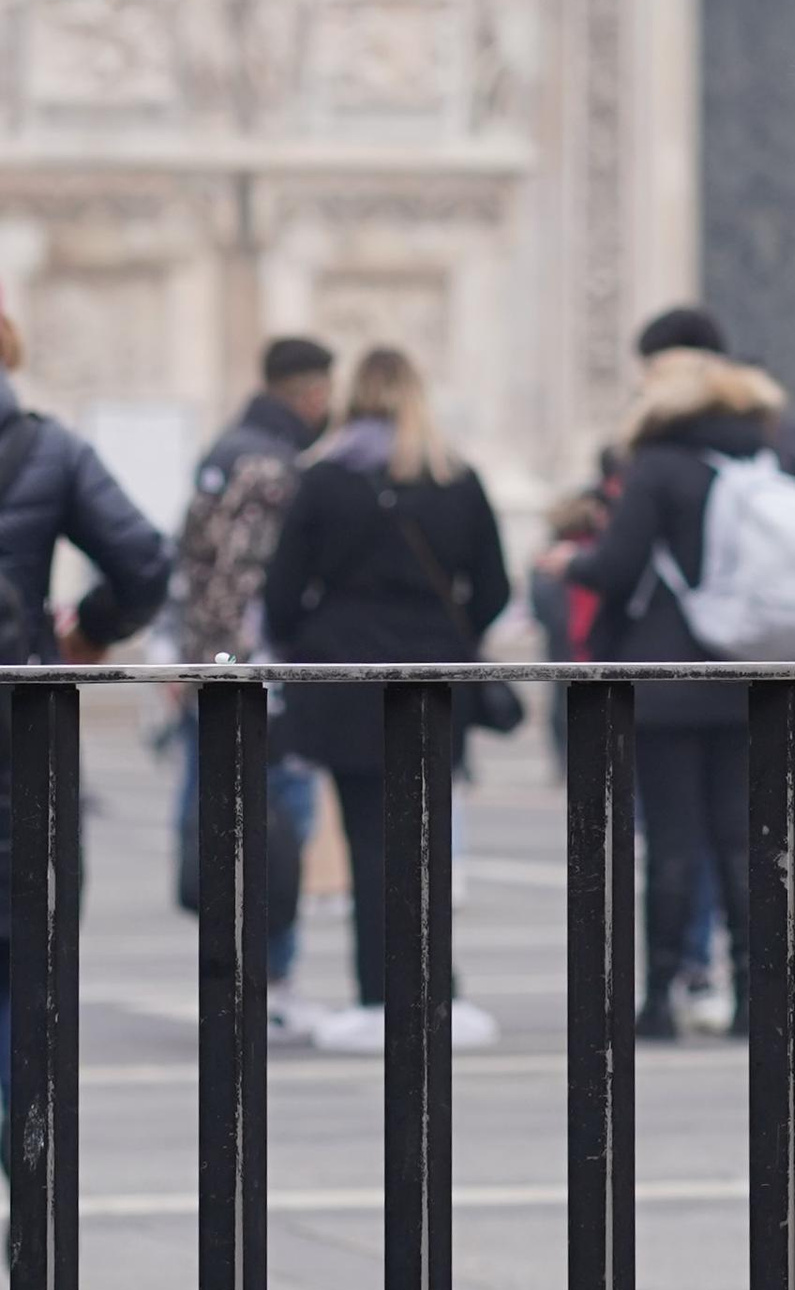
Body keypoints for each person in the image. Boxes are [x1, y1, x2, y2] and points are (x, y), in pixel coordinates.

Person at [561, 310, 795, 1037]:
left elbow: (618, 564)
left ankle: (662, 994)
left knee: (672, 842)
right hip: (761, 674)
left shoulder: (658, 467)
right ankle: (757, 997)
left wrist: (569, 562)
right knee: (747, 841)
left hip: (668, 677)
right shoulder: (783, 457)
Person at [264, 347, 510, 1053]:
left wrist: (312, 639)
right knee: (426, 839)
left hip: (346, 682)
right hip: (435, 679)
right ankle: (438, 988)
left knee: (369, 839)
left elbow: (281, 594)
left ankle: (379, 993)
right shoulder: (456, 478)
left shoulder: (324, 480)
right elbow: (491, 588)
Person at [0, 295, 176, 1082]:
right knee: (24, 952)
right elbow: (142, 561)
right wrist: (90, 632)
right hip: (18, 726)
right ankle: (25, 1176)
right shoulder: (49, 450)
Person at [169, 331, 335, 1031]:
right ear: (310, 391)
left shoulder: (223, 449)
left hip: (210, 670)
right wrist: (243, 678)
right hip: (249, 678)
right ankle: (267, 979)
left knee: (215, 825)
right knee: (271, 830)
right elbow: (242, 588)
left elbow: (192, 566)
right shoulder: (272, 466)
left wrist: (193, 663)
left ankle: (226, 977)